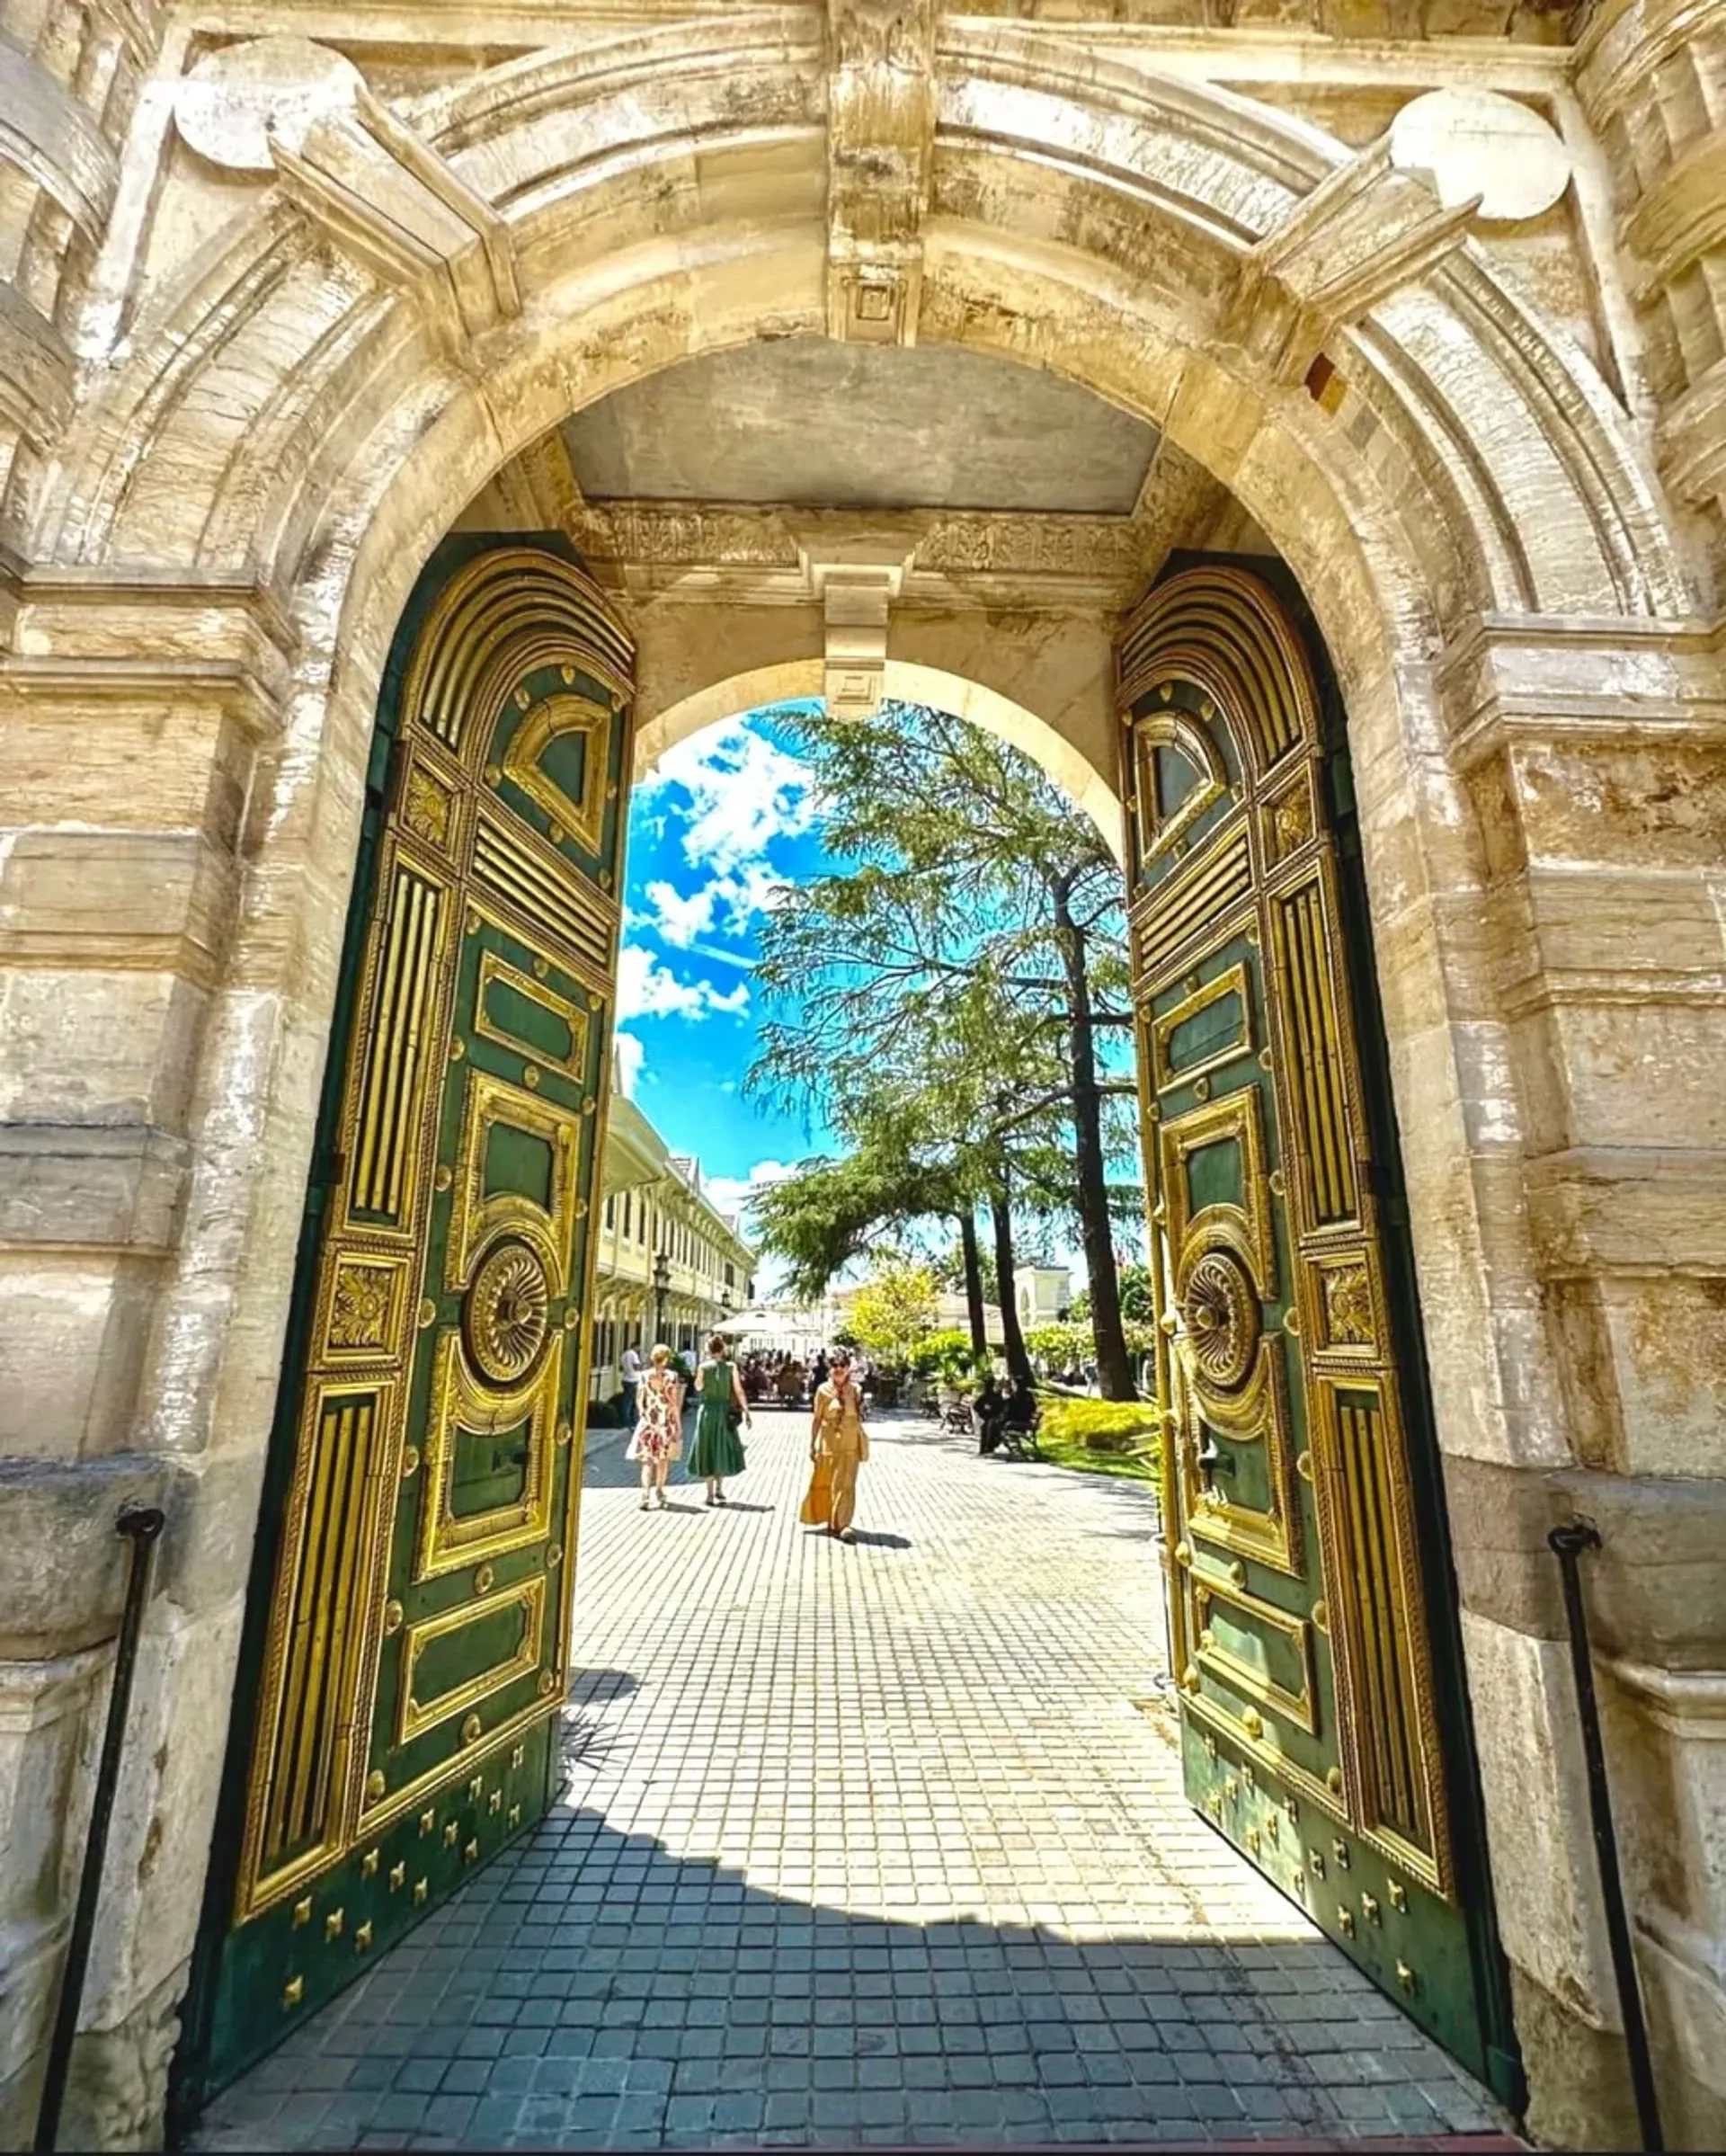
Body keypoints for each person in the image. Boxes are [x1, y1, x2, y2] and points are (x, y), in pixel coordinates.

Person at [805, 1350, 868, 1540]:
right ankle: (833, 1521)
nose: (839, 1369)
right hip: (829, 1443)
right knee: (831, 1483)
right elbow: (816, 1419)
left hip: (850, 1443)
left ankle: (844, 1524)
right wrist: (812, 1443)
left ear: (848, 1369)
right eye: (835, 1366)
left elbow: (861, 1415)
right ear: (830, 1370)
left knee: (847, 1484)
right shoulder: (823, 1390)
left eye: (842, 1366)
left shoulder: (855, 1390)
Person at [689, 1332, 750, 1506]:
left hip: (707, 1411)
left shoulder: (703, 1367)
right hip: (724, 1412)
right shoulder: (731, 1367)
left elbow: (699, 1387)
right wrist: (746, 1410)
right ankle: (719, 1489)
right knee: (721, 1447)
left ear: (708, 1350)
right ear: (723, 1349)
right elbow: (738, 1390)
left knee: (707, 1448)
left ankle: (708, 1494)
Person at [626, 1343, 683, 1509]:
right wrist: (678, 1425)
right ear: (666, 1359)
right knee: (663, 1460)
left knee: (647, 1460)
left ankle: (644, 1495)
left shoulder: (644, 1376)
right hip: (665, 1422)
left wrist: (643, 1412)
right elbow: (673, 1403)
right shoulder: (671, 1377)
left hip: (649, 1421)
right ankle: (659, 1490)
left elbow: (639, 1398)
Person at [619, 1339, 643, 1429]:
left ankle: (626, 1419)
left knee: (626, 1400)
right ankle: (631, 1420)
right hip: (634, 1380)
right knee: (633, 1402)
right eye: (639, 1347)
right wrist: (642, 1366)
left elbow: (621, 1368)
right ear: (636, 1346)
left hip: (626, 1379)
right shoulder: (633, 1354)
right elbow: (636, 1367)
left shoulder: (624, 1354)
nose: (639, 1349)